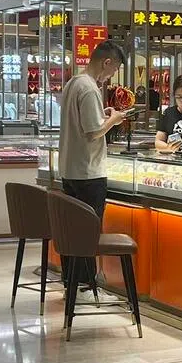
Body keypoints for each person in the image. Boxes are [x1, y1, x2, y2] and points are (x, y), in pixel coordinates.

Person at [57, 39, 130, 289]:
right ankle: (85, 285)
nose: (112, 75)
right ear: (106, 62)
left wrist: (104, 116)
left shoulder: (73, 83)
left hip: (70, 169)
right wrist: (115, 119)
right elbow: (92, 131)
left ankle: (72, 282)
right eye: (114, 68)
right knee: (87, 234)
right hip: (89, 173)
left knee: (73, 233)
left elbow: (84, 124)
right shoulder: (89, 88)